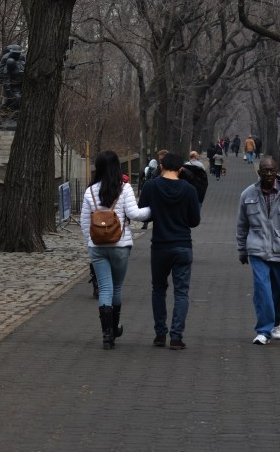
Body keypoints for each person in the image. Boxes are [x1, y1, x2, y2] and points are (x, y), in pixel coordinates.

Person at [80, 150, 151, 348]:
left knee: (104, 288)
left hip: (98, 247)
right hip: (120, 245)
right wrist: (152, 210)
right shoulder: (124, 188)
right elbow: (134, 214)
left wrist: (91, 241)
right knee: (117, 288)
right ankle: (115, 325)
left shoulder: (90, 191)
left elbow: (84, 222)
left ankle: (106, 333)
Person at [236, 156, 280, 344]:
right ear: (259, 172)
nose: (268, 174)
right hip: (257, 250)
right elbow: (242, 225)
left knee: (279, 293)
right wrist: (242, 250)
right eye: (265, 170)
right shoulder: (248, 194)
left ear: (277, 172)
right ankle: (263, 331)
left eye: (272, 170)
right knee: (262, 290)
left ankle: (276, 322)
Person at [138, 151, 201, 350]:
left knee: (158, 289)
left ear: (161, 167)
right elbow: (195, 221)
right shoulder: (189, 189)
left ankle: (159, 333)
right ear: (181, 169)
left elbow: (144, 214)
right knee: (181, 292)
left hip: (160, 245)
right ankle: (176, 336)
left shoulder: (151, 186)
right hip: (182, 245)